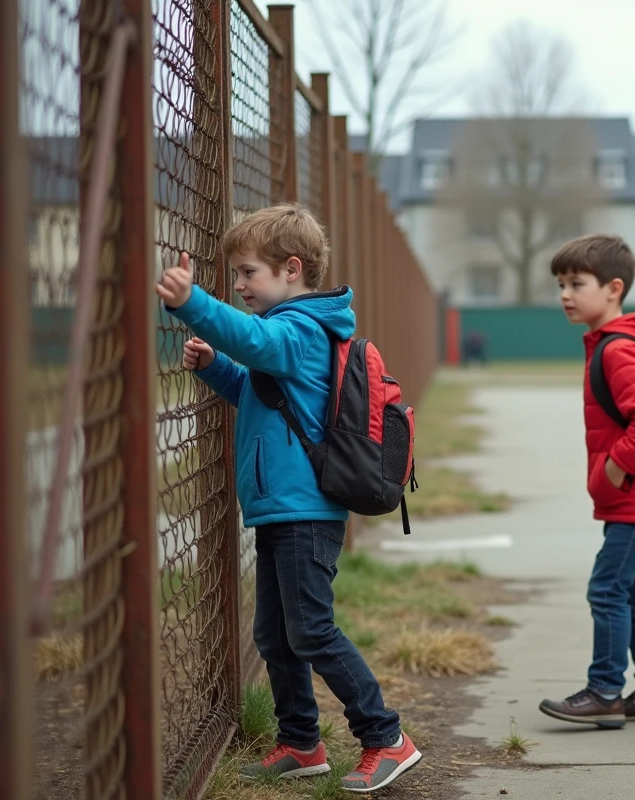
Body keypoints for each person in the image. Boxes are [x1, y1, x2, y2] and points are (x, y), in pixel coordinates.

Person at [156, 203, 421, 792]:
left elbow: (257, 343)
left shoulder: (300, 329)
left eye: (248, 273)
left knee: (311, 631)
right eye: (237, 277)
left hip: (305, 511)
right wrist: (215, 367)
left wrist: (192, 303)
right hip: (281, 508)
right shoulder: (287, 335)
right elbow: (263, 392)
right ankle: (301, 742)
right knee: (276, 636)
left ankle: (386, 737)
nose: (241, 285)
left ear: (291, 268)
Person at [538, 234, 635, 728]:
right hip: (633, 500)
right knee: (631, 590)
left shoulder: (619, 350)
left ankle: (605, 691)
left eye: (576, 283)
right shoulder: (612, 344)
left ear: (613, 288)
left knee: (606, 589)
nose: (565, 293)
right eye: (561, 283)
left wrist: (615, 468)